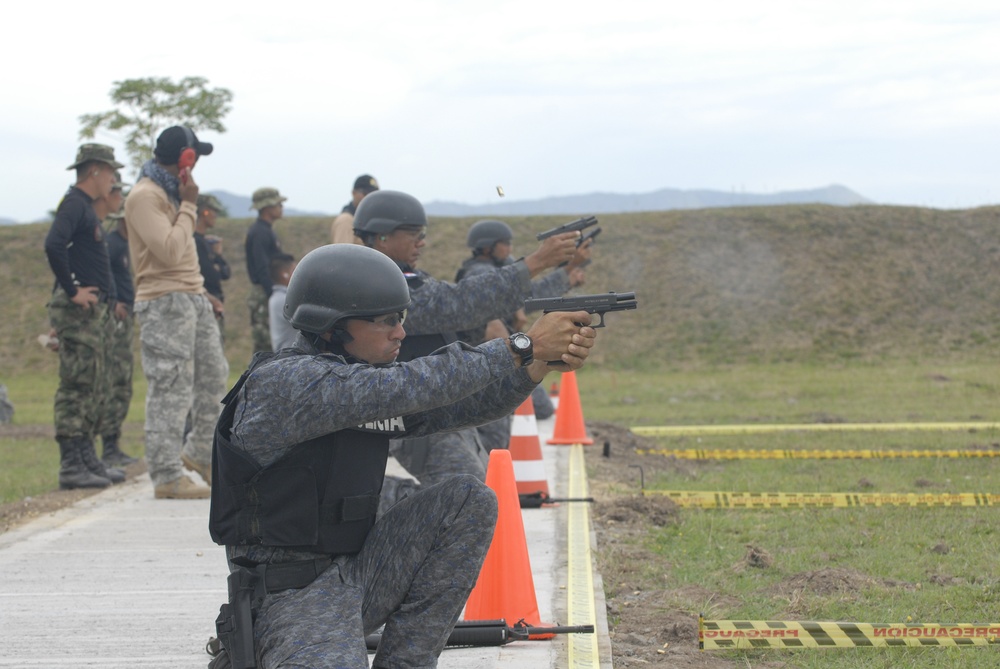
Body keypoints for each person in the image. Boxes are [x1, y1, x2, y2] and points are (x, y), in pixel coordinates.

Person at [208, 243, 596, 668]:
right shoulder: (287, 383)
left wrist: (536, 364)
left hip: (357, 576)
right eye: (386, 321)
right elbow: (412, 385)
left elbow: (453, 407)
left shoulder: (356, 382)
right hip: (291, 599)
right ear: (334, 325)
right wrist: (520, 345)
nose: (400, 332)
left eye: (402, 318)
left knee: (467, 499)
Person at [352, 190, 583, 505]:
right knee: (467, 503)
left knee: (480, 495)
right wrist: (537, 262)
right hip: (421, 419)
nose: (421, 242)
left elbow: (455, 315)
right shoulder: (374, 284)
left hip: (439, 408)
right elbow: (457, 303)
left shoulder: (400, 276)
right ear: (380, 236)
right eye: (413, 234)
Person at [124, 125, 229, 499]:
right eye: (195, 154)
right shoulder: (144, 196)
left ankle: (200, 453)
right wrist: (188, 205)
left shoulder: (169, 192)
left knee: (215, 378)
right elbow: (169, 251)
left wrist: (203, 293)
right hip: (163, 301)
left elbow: (184, 254)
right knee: (170, 388)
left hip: (191, 297)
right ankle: (166, 474)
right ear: (186, 157)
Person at [457, 218, 591, 451]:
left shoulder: (487, 271)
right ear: (488, 246)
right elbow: (516, 307)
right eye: (504, 243)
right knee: (532, 411)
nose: (509, 249)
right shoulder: (480, 272)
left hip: (501, 354)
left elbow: (529, 296)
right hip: (492, 357)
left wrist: (566, 274)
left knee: (538, 407)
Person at [44, 143, 126, 490]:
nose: (112, 180)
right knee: (77, 385)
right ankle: (71, 462)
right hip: (78, 311)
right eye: (110, 172)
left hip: (93, 313)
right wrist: (72, 289)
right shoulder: (75, 204)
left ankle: (85, 455)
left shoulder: (87, 209)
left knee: (93, 384)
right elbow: (53, 244)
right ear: (94, 170)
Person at [97, 174, 139, 467]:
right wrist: (114, 302)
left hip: (128, 315)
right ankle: (108, 445)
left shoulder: (125, 245)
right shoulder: (112, 243)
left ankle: (114, 443)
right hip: (117, 316)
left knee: (124, 382)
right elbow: (105, 275)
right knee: (116, 380)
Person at [245, 187, 288, 353]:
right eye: (278, 204)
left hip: (269, 291)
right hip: (264, 292)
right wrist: (273, 294)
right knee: (265, 346)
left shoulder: (266, 231)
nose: (281, 208)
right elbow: (262, 267)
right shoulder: (260, 233)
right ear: (267, 208)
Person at [194, 193, 231, 330]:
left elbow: (226, 273)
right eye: (213, 211)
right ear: (205, 212)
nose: (215, 216)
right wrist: (216, 268)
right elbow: (212, 275)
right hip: (206, 303)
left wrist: (218, 256)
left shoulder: (205, 242)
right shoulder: (196, 242)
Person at [330, 174, 378, 244]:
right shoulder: (346, 221)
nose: (369, 198)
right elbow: (343, 253)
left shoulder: (365, 221)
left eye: (374, 195)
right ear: (354, 193)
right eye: (365, 194)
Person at [266, 253, 297, 351]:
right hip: (291, 359)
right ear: (284, 275)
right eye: (294, 271)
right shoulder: (283, 299)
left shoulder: (277, 298)